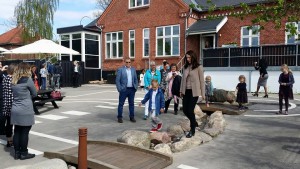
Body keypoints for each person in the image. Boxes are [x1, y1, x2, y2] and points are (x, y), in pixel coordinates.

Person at [11, 62, 37, 160]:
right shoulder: (28, 80)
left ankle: (17, 153)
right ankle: (24, 153)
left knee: (17, 131)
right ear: (26, 70)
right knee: (25, 132)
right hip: (25, 109)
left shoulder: (13, 80)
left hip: (15, 108)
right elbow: (34, 93)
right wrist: (27, 97)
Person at [180, 50, 205, 138]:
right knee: (185, 110)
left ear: (193, 57)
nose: (188, 59)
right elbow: (183, 80)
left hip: (194, 92)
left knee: (190, 110)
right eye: (186, 57)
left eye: (189, 57)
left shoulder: (198, 67)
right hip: (186, 91)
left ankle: (192, 129)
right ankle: (194, 122)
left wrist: (203, 94)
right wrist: (181, 91)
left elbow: (202, 81)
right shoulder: (185, 67)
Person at [116, 58, 138, 123]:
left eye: (129, 62)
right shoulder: (121, 70)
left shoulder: (133, 69)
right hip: (124, 90)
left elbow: (136, 79)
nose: (128, 63)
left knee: (131, 104)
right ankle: (119, 117)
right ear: (124, 62)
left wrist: (135, 87)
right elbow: (117, 80)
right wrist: (119, 89)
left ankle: (132, 117)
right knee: (121, 104)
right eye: (127, 62)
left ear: (131, 62)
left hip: (132, 89)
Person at [2, 64, 16, 147]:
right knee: (16, 123)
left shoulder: (5, 78)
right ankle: (15, 139)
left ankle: (9, 140)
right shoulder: (14, 79)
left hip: (6, 103)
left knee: (9, 123)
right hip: (13, 103)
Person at [0, 62, 8, 135]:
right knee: (2, 113)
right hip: (1, 95)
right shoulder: (1, 72)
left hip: (3, 94)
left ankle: (2, 128)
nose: (1, 66)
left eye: (1, 65)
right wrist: (2, 71)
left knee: (3, 113)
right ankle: (1, 130)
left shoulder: (3, 73)